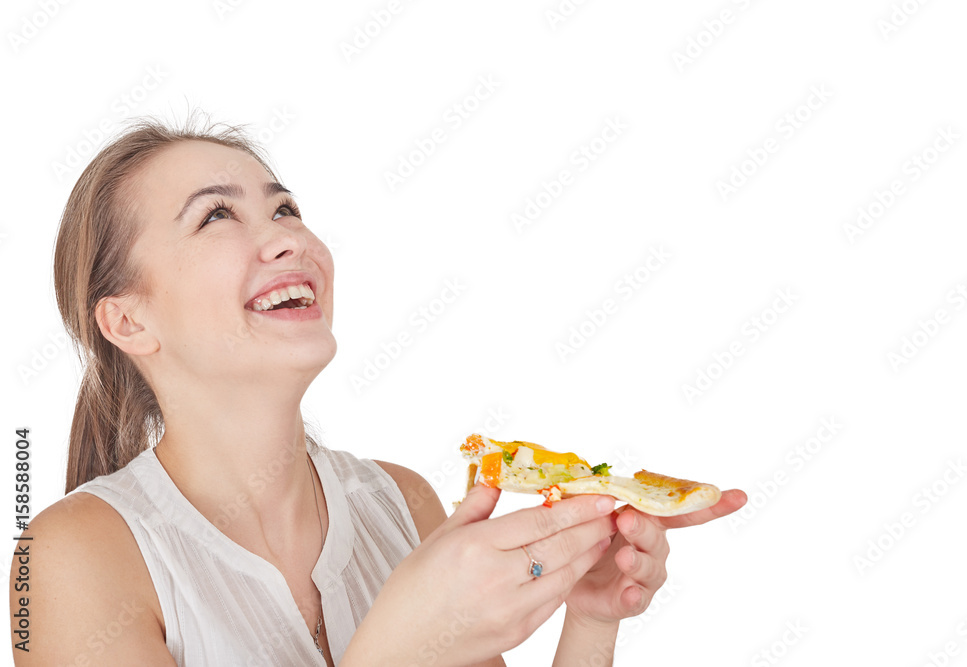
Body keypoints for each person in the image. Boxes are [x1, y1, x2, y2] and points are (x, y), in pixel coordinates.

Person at [9, 114, 746, 666]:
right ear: (128, 319)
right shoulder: (66, 561)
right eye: (217, 215)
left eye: (285, 208)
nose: (287, 237)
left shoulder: (404, 505)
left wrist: (589, 620)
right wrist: (400, 646)